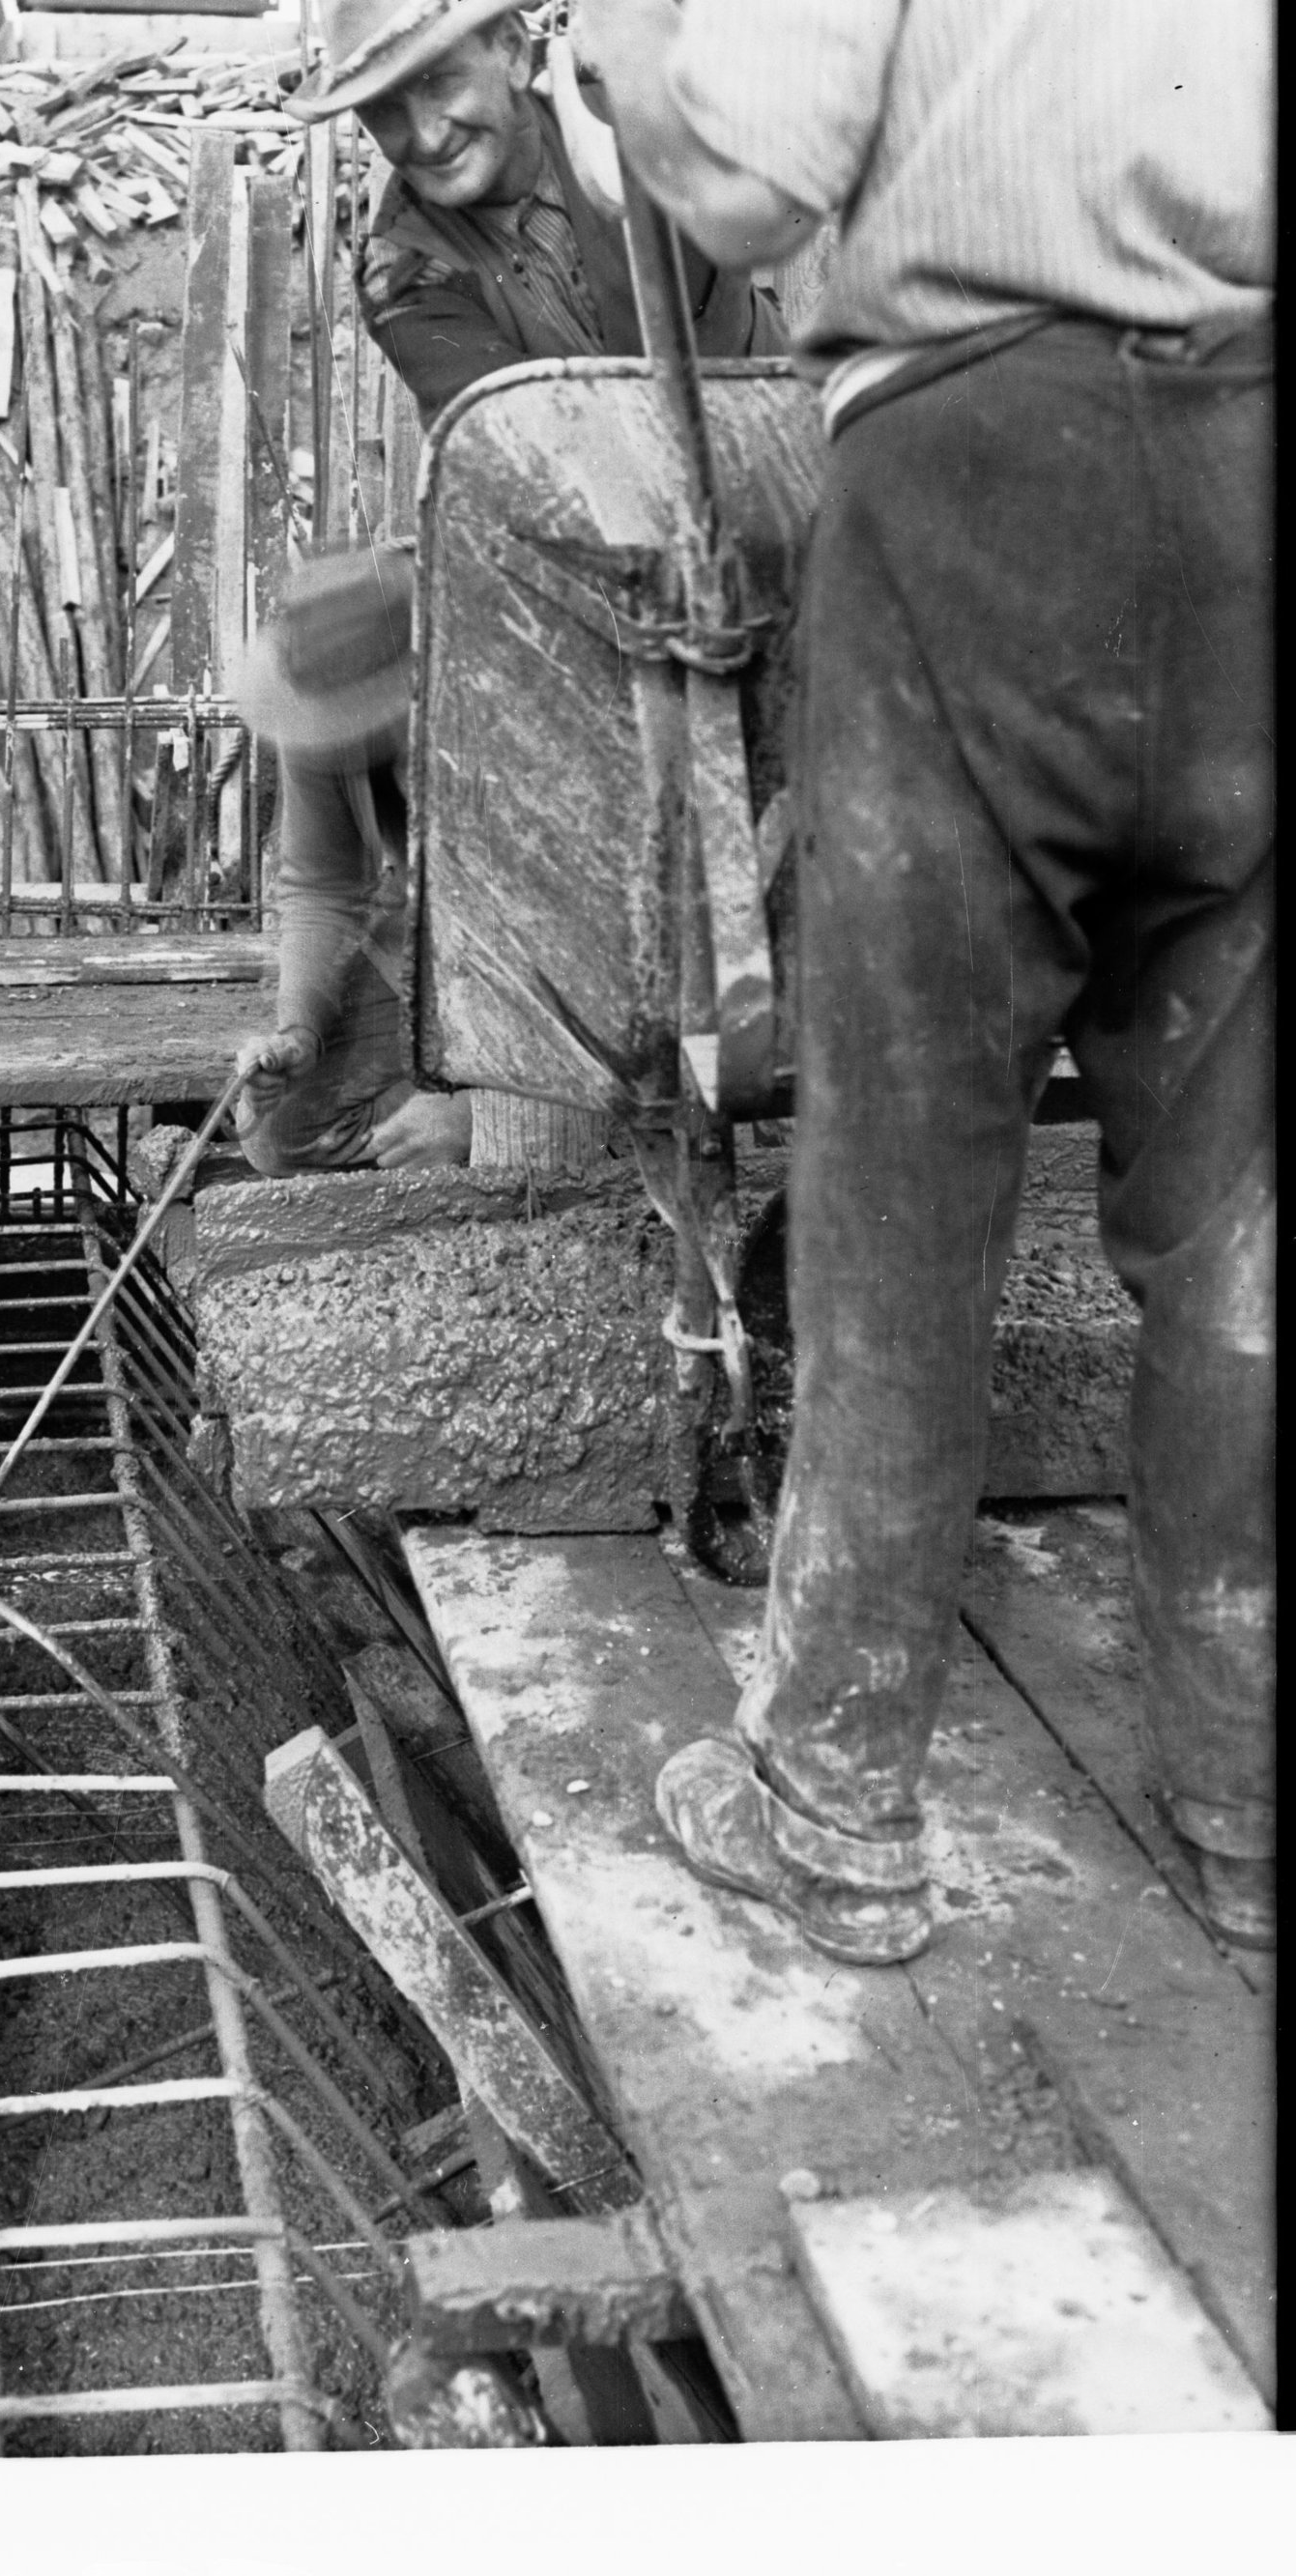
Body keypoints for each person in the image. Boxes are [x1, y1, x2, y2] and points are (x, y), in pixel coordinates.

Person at [574, 0, 1273, 1958]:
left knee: (906, 1179)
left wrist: (628, 45)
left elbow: (747, 169)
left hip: (983, 474)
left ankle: (840, 1802)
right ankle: (1250, 1811)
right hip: (1257, 468)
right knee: (1244, 1217)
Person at [291, 0, 784, 432]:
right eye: (383, 111)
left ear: (512, 50)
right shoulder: (405, 268)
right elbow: (521, 446)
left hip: (785, 445)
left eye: (439, 83)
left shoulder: (626, 104)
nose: (427, 137)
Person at [231, 545, 473, 1176]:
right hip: (428, 953)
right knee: (276, 1132)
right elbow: (318, 884)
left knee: (489, 1140)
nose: (327, 737)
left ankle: (568, 1125)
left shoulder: (491, 715)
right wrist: (299, 1029)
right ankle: (431, 1114)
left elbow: (585, 955)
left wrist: (482, 1114)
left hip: (554, 982)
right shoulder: (322, 692)